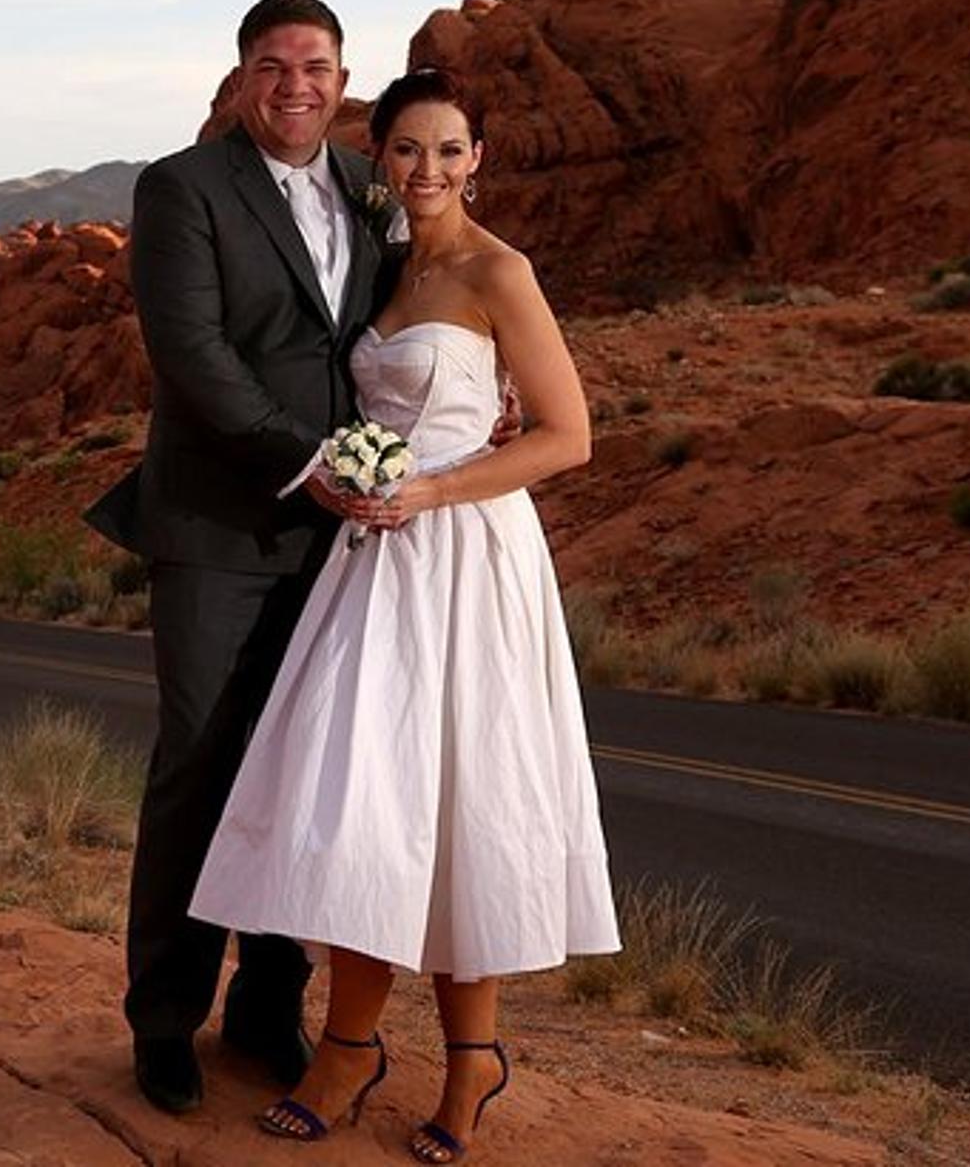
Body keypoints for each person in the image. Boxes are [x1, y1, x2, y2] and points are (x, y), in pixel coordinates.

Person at [186, 66, 622, 1163]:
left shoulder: (497, 270)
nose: (426, 169)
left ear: (478, 159)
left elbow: (564, 436)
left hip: (464, 554)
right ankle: (350, 1042)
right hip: (372, 563)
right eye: (405, 151)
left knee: (462, 798)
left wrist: (422, 489)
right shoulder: (382, 268)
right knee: (363, 800)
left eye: (447, 150)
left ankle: (471, 1060)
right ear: (376, 159)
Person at [84, 0, 385, 1115]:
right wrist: (302, 459)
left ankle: (267, 1011)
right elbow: (193, 355)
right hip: (218, 525)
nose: (294, 85)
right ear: (240, 78)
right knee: (199, 773)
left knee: (300, 779)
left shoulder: (371, 188)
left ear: (341, 79)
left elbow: (397, 329)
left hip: (339, 540)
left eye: (313, 66)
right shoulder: (181, 187)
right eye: (272, 66)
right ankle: (164, 1020)